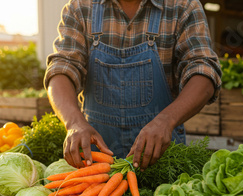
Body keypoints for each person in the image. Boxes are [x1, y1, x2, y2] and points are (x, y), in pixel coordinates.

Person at [45, 0, 222, 170]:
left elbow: (203, 71)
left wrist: (166, 121)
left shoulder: (183, 7)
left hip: (163, 161)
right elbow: (61, 69)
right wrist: (74, 123)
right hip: (95, 167)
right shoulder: (80, 7)